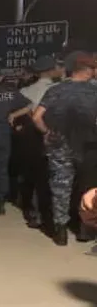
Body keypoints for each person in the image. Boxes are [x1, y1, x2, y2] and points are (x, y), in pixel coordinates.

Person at [33, 52, 97, 245]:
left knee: (61, 188)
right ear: (87, 71)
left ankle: (60, 230)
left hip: (59, 145)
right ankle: (85, 229)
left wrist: (47, 132)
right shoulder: (94, 91)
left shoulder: (55, 90)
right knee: (87, 188)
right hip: (89, 146)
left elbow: (36, 117)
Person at [0, 66, 32, 219]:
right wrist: (14, 115)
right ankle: (1, 202)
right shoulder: (10, 92)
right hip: (5, 135)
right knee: (2, 169)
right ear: (1, 78)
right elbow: (29, 106)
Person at [17, 55, 60, 229]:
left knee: (33, 175)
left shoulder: (25, 91)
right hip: (53, 134)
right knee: (52, 176)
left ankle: (33, 211)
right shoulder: (58, 89)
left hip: (30, 137)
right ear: (51, 70)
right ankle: (54, 214)